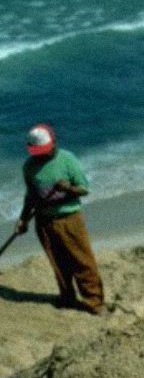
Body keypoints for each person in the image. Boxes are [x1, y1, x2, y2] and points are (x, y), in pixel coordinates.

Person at [16, 123, 105, 315]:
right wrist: (23, 219)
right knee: (58, 263)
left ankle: (94, 302)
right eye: (39, 152)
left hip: (69, 218)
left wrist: (68, 189)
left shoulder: (67, 159)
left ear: (54, 142)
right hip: (44, 221)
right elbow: (30, 196)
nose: (44, 155)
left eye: (46, 150)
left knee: (82, 261)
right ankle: (67, 297)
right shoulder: (29, 166)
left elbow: (84, 189)